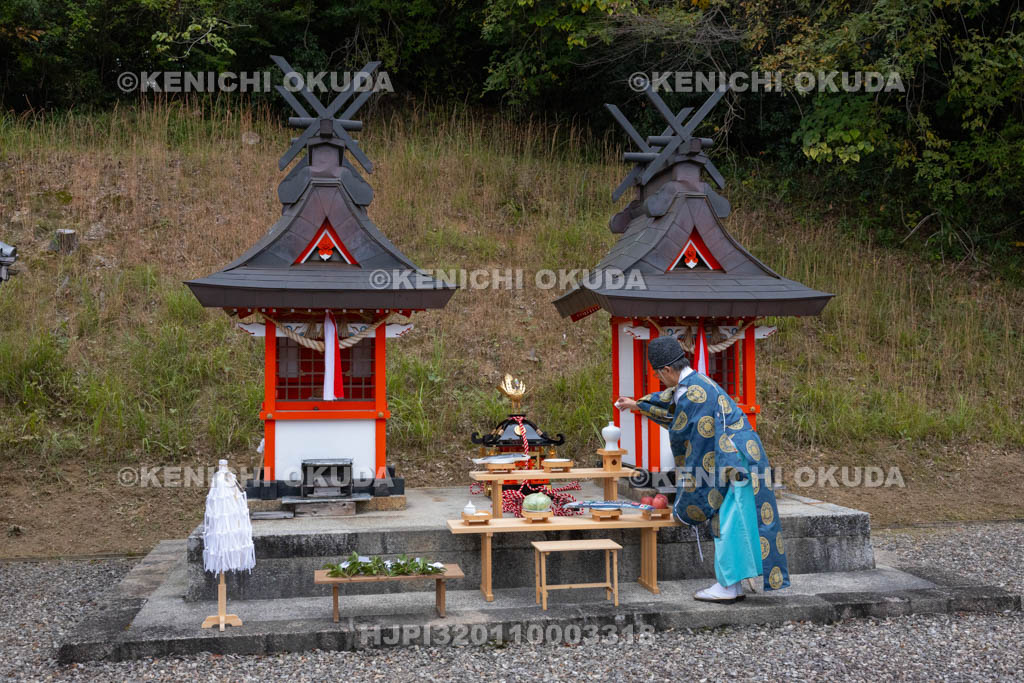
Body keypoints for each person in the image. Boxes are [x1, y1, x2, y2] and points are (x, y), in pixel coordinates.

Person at [614, 335, 789, 603]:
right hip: (740, 456)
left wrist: (686, 496)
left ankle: (728, 586)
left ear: (668, 370)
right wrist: (637, 405)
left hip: (734, 461)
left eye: (659, 375)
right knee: (741, 520)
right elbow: (673, 408)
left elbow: (695, 444)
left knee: (729, 522)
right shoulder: (694, 384)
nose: (660, 381)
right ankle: (735, 583)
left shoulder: (694, 394)